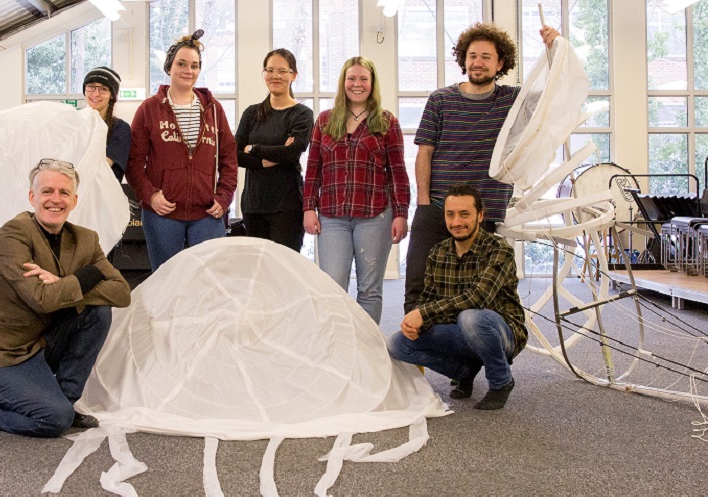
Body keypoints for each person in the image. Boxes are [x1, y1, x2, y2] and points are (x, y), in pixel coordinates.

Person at [0, 159, 131, 437]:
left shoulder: (85, 239)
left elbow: (121, 292)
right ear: (32, 197)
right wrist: (85, 278)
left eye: (63, 193)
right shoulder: (14, 234)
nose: (55, 200)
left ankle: (65, 401)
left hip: (37, 348)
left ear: (74, 200)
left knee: (98, 312)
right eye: (47, 191)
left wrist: (62, 283)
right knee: (53, 421)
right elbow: (41, 299)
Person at [403, 23, 560, 313]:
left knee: (473, 295)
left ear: (500, 63)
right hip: (436, 208)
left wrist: (555, 49)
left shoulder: (512, 102)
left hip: (483, 214)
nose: (478, 62)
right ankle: (418, 353)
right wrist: (423, 202)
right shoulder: (440, 100)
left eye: (486, 57)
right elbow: (424, 153)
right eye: (473, 55)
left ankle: (464, 356)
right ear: (464, 59)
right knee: (419, 285)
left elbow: (554, 91)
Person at [388, 184, 527, 410]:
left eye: (465, 214)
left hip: (502, 332)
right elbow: (429, 297)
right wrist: (415, 323)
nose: (456, 222)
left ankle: (501, 381)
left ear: (480, 216)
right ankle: (464, 370)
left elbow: (478, 297)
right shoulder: (438, 252)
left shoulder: (499, 249)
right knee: (398, 344)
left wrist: (423, 314)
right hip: (459, 331)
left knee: (471, 318)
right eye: (450, 215)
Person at [303, 56, 409, 324]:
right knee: (332, 287)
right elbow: (313, 168)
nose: (357, 84)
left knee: (370, 290)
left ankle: (367, 352)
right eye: (352, 78)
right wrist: (308, 208)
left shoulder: (387, 122)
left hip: (375, 216)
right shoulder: (325, 121)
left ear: (372, 83)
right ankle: (337, 347)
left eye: (364, 79)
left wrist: (401, 214)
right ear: (343, 82)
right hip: (332, 216)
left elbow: (397, 172)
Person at [126, 29, 237, 270]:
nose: (189, 70)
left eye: (195, 65)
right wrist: (151, 195)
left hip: (207, 214)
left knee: (207, 281)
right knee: (166, 281)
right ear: (169, 67)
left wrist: (224, 197)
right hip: (162, 213)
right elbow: (134, 162)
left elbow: (229, 158)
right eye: (182, 64)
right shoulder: (150, 109)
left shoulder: (214, 110)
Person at [236, 49, 314, 252]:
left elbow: (291, 153)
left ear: (293, 75)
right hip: (254, 205)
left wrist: (253, 148)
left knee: (284, 271)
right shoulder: (252, 113)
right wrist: (263, 160)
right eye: (270, 70)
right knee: (257, 271)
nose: (275, 76)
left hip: (287, 206)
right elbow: (235, 154)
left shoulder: (302, 114)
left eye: (282, 70)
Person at [82, 66, 131, 185]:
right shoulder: (75, 124)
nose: (96, 94)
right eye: (91, 87)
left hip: (105, 196)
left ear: (112, 95)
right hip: (75, 195)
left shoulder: (120, 129)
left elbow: (101, 166)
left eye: (103, 89)